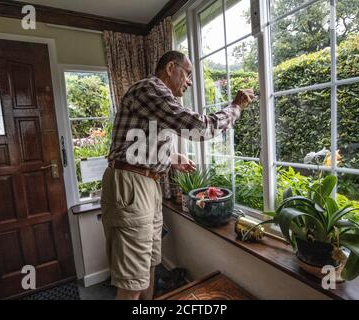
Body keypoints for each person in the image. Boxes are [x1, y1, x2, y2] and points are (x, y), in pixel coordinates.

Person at [101, 50, 255, 300]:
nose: (190, 81)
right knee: (132, 279)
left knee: (149, 264)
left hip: (146, 184)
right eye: (188, 73)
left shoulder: (154, 99)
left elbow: (139, 146)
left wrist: (172, 159)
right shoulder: (150, 89)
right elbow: (201, 128)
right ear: (171, 67)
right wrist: (236, 106)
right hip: (132, 185)